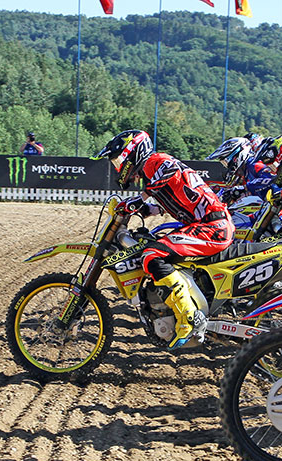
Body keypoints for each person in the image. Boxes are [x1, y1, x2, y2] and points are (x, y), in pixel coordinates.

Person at [94, 130, 235, 348]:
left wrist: (137, 200)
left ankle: (189, 318)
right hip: (209, 225)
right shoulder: (152, 171)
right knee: (153, 244)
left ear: (134, 152)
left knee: (152, 256)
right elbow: (171, 196)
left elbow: (167, 174)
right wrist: (147, 208)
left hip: (212, 227)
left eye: (120, 159)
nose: (118, 166)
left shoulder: (156, 162)